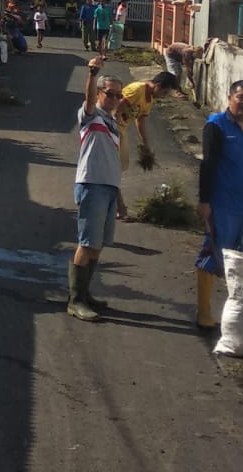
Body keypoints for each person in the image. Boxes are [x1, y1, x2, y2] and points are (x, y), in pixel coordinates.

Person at [196, 80, 243, 330]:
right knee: (214, 251)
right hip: (222, 203)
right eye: (240, 97)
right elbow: (208, 164)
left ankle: (239, 308)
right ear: (230, 97)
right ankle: (203, 312)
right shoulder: (216, 126)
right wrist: (204, 201)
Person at [67, 58, 123, 322]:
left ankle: (85, 294)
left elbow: (113, 162)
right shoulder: (90, 115)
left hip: (109, 188)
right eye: (109, 93)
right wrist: (92, 73)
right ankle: (75, 300)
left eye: (118, 95)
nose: (113, 99)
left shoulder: (113, 124)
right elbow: (88, 99)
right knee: (87, 244)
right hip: (91, 185)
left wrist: (120, 198)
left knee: (98, 246)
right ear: (99, 93)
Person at [111, 69, 179, 221]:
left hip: (120, 132)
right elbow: (116, 108)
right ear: (159, 86)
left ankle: (117, 207)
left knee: (116, 169)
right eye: (165, 92)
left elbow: (140, 121)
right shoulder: (138, 90)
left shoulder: (149, 100)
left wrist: (146, 145)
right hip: (112, 131)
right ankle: (120, 208)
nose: (164, 96)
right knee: (113, 170)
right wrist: (111, 132)